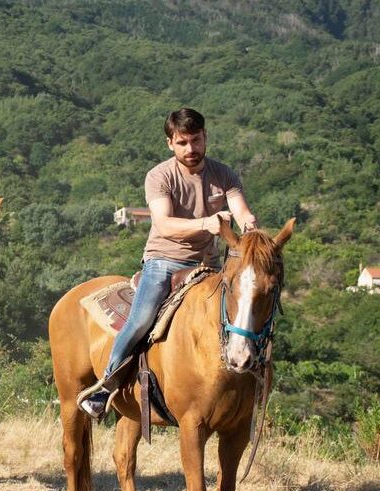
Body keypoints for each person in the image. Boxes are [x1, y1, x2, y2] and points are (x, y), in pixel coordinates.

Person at [78, 108, 259, 418]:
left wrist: (251, 227)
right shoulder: (160, 176)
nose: (191, 149)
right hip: (165, 261)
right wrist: (206, 224)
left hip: (208, 266)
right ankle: (107, 385)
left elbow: (241, 211)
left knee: (245, 312)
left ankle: (250, 379)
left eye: (196, 140)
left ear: (206, 138)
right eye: (183, 142)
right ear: (170, 144)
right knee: (141, 320)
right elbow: (163, 224)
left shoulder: (224, 174)